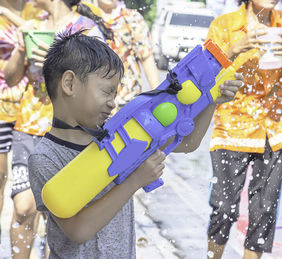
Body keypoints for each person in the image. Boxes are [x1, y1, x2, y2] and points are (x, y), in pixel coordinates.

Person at [28, 30, 242, 258]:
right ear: (69, 84)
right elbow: (79, 231)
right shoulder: (45, 157)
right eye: (106, 91)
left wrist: (211, 100)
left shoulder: (117, 135)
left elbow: (188, 142)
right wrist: (135, 181)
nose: (112, 102)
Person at [206, 0, 282, 258]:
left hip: (274, 130)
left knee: (264, 211)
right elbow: (205, 71)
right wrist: (234, 48)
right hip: (232, 127)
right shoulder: (225, 25)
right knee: (224, 208)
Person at [5, 0, 111, 257]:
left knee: (61, 209)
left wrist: (58, 64)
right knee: (23, 208)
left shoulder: (87, 30)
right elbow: (10, 78)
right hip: (28, 126)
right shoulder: (33, 25)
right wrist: (21, 49)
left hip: (69, 131)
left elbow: (101, 78)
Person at [0, 0, 42, 252]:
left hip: (30, 110)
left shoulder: (39, 10)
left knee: (28, 199)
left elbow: (36, 32)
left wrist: (6, 13)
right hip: (0, 109)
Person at [97, 0, 160, 109]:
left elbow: (147, 59)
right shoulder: (83, 18)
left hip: (126, 102)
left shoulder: (132, 18)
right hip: (93, 103)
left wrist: (160, 97)